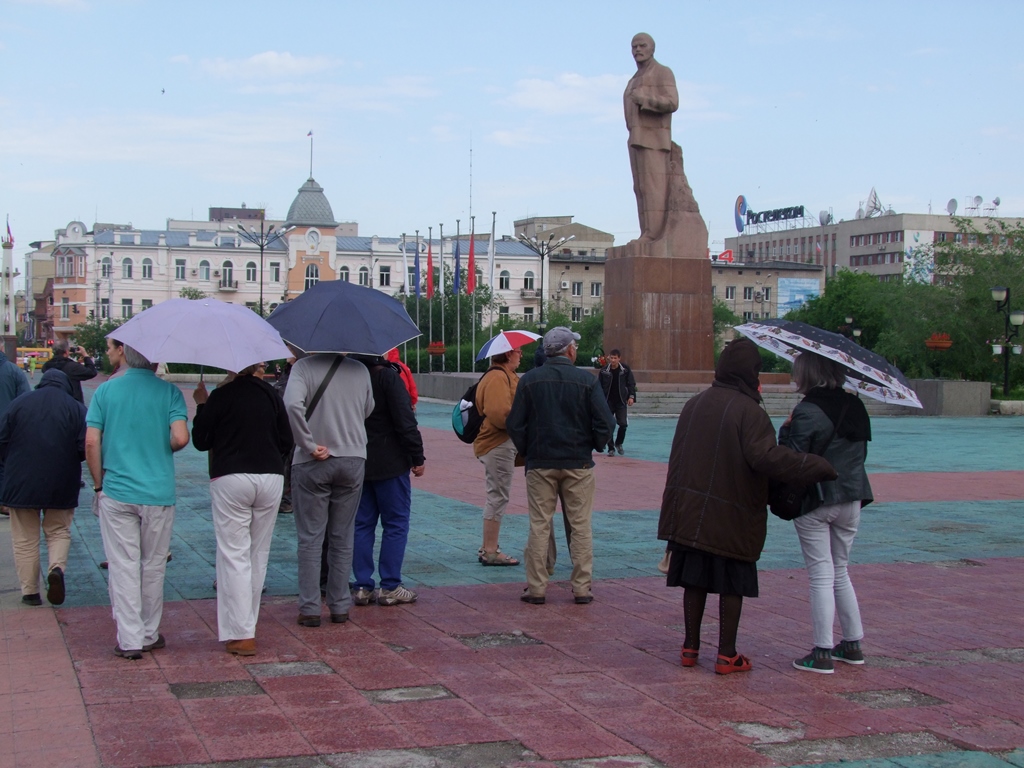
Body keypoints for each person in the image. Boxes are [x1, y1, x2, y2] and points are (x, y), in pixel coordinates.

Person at [658, 338, 836, 675]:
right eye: (757, 371)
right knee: (731, 581)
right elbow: (764, 458)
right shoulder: (749, 411)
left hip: (690, 511)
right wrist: (814, 465)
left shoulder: (694, 404)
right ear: (748, 373)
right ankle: (727, 654)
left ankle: (690, 647)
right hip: (732, 512)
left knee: (694, 579)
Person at [86, 339, 189, 659]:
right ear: (156, 362)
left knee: (123, 564)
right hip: (157, 492)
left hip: (117, 490)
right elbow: (181, 437)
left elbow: (91, 442)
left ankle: (129, 639)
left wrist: (98, 485)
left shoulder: (105, 391)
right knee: (154, 564)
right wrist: (165, 446)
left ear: (126, 357)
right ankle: (148, 632)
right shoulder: (170, 393)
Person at [778, 351, 873, 675]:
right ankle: (852, 643)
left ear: (808, 374)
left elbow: (793, 458)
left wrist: (785, 430)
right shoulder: (856, 406)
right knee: (841, 570)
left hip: (817, 501)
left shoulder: (808, 410)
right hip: (851, 498)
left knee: (821, 573)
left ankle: (821, 651)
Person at [191, 363, 294, 656]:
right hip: (271, 477)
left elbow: (201, 441)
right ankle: (247, 624)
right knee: (257, 554)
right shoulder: (271, 395)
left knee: (234, 553)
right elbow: (287, 440)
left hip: (231, 476)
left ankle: (241, 632)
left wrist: (202, 405)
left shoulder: (221, 396)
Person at [507, 327, 614, 605]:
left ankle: (537, 588)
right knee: (580, 526)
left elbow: (515, 424)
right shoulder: (586, 380)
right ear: (569, 350)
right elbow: (606, 422)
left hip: (540, 463)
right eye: (574, 346)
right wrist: (593, 444)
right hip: (577, 462)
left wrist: (529, 450)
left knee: (539, 525)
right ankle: (581, 588)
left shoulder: (529, 380)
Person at [284, 353, 374, 627]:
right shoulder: (360, 369)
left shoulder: (303, 367)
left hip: (314, 459)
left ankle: (310, 607)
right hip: (353, 457)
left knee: (311, 537)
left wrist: (307, 443)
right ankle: (339, 605)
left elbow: (291, 405)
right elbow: (368, 408)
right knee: (342, 536)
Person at [0, 369, 87, 606]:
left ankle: (30, 592)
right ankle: (56, 568)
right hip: (61, 480)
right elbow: (84, 447)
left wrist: (9, 466)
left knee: (25, 538)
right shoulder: (76, 408)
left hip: (20, 480)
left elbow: (2, 440)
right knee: (58, 530)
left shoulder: (19, 404)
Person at [350, 355, 425, 606]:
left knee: (362, 524)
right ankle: (390, 585)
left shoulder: (349, 376)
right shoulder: (387, 377)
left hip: (357, 459)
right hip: (390, 461)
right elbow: (405, 420)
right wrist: (417, 456)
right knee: (395, 523)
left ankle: (362, 585)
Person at [624, 33, 679, 242]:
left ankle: (654, 234)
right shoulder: (634, 79)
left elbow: (672, 102)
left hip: (654, 140)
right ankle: (646, 231)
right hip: (636, 138)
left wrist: (644, 99)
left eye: (642, 45)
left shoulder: (663, 72)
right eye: (634, 46)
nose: (637, 49)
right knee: (640, 188)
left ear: (652, 48)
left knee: (653, 186)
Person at [473, 347, 523, 566]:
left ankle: (487, 546)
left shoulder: (504, 375)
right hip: (498, 443)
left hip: (500, 443)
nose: (521, 354)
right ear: (508, 353)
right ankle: (491, 550)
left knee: (497, 493)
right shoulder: (497, 377)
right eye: (518, 351)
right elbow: (500, 414)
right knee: (498, 495)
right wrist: (521, 421)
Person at [0, 347, 31, 510]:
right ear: (2, 348)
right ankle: (4, 502)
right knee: (6, 466)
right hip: (7, 429)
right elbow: (24, 401)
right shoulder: (14, 371)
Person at [598, 349, 637, 456]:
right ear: (609, 358)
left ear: (619, 358)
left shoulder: (625, 370)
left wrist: (631, 396)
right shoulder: (604, 370)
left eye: (615, 358)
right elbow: (598, 386)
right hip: (607, 402)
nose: (613, 360)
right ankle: (611, 448)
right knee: (609, 425)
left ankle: (619, 443)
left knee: (623, 424)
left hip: (621, 401)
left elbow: (631, 383)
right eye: (612, 358)